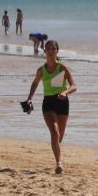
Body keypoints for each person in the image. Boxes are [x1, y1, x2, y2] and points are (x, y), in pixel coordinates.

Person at [25, 40, 76, 174]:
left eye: (53, 49)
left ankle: (56, 152)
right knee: (54, 131)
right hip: (48, 102)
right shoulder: (41, 70)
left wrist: (65, 92)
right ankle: (59, 163)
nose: (51, 51)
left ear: (57, 51)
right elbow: (35, 83)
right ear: (45, 51)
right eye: (48, 49)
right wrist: (30, 98)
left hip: (62, 102)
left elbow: (74, 86)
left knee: (59, 137)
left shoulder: (62, 68)